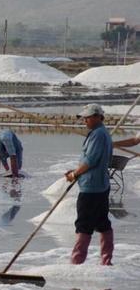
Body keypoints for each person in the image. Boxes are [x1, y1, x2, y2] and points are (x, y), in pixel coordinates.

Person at [64, 104, 113, 266]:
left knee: (84, 224)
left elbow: (90, 161)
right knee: (102, 222)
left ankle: (76, 262)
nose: (85, 120)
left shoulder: (98, 135)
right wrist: (77, 170)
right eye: (84, 117)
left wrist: (75, 174)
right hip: (100, 185)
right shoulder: (101, 133)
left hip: (91, 188)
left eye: (88, 117)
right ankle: (106, 261)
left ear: (99, 117)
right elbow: (89, 160)